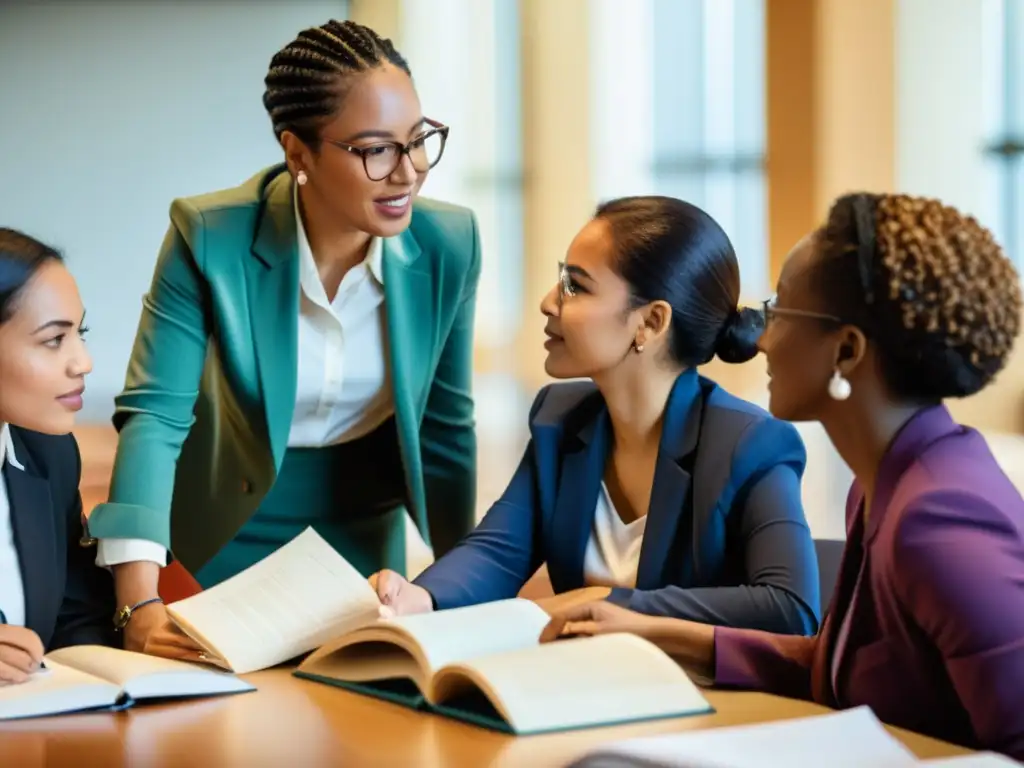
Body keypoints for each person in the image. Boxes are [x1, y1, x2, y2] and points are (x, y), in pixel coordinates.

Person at [540, 193, 1024, 759]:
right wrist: (652, 631)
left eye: (781, 310)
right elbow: (840, 668)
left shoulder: (937, 518)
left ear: (846, 351)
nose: (760, 338)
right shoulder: (884, 482)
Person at [85, 20, 481, 661]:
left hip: (360, 533)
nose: (408, 173)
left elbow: (446, 428)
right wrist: (140, 600)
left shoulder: (450, 243)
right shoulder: (209, 236)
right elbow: (154, 417)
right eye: (376, 149)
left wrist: (468, 591)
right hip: (221, 525)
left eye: (419, 141)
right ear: (298, 153)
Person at [373, 196, 820, 635]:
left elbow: (790, 605)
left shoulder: (750, 443)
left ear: (650, 322)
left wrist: (605, 603)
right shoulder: (560, 420)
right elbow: (498, 551)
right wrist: (420, 598)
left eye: (575, 286)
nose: (549, 302)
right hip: (585, 686)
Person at [0, 228, 116, 685]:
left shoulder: (50, 456)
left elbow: (77, 618)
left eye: (79, 333)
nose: (83, 362)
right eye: (54, 340)